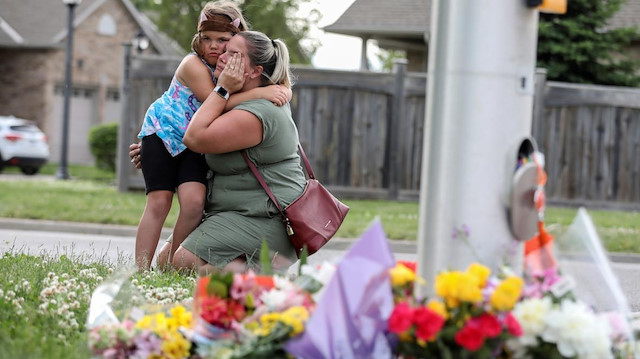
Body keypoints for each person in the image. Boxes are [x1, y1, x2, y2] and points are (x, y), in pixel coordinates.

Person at [134, 2, 290, 271]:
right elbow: (215, 101)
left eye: (224, 42)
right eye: (206, 39)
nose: (215, 47)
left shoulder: (235, 74)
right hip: (163, 134)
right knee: (159, 202)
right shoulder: (193, 64)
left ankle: (174, 266)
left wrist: (276, 88)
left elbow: (264, 75)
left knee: (193, 203)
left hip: (193, 146)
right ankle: (139, 269)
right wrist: (260, 93)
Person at [166, 30, 306, 274]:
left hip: (269, 220)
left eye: (233, 54)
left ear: (254, 72)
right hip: (234, 213)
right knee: (164, 259)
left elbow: (194, 137)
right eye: (224, 50)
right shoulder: (241, 101)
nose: (221, 55)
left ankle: (261, 275)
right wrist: (153, 147)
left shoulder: (255, 114)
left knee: (182, 262)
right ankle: (249, 269)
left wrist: (222, 89)